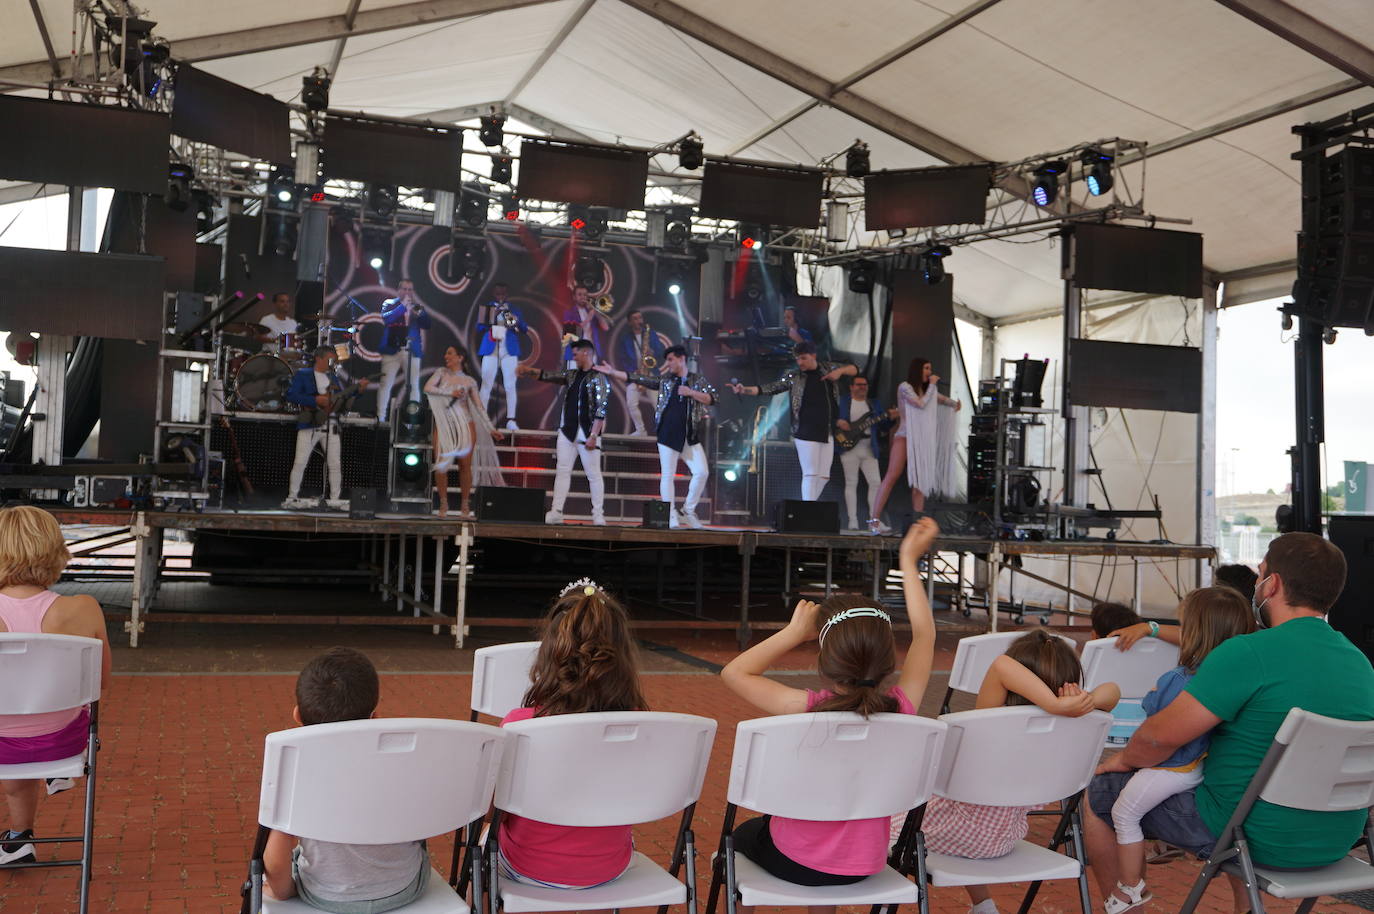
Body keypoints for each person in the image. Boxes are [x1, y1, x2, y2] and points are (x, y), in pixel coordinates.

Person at [1087, 532, 1374, 914]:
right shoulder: (1359, 663)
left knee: (1102, 793)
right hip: (1337, 836)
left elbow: (1158, 738)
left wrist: (1123, 762)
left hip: (1251, 836)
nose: (1257, 584)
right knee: (1237, 782)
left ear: (1273, 584)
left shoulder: (1247, 653)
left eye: (1261, 574)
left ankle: (1124, 905)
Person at [717, 519, 940, 901]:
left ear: (825, 657)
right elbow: (926, 634)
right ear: (888, 660)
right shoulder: (902, 709)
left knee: (739, 839)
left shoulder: (803, 709)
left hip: (796, 859)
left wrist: (792, 633)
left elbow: (734, 672)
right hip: (867, 862)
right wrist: (907, 561)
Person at [920, 630, 1119, 914]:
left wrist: (1052, 703)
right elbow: (1113, 690)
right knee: (958, 806)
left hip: (945, 833)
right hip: (1004, 838)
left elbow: (1002, 665)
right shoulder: (1073, 727)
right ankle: (983, 906)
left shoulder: (989, 718)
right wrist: (1081, 702)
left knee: (898, 808)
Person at [1100, 587, 1254, 914]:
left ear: (1192, 632)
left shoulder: (1178, 679)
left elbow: (1154, 721)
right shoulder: (1236, 675)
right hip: (1200, 766)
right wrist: (1151, 627)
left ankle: (1131, 888)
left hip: (1171, 768)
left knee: (1123, 812)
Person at [497, 579, 646, 888]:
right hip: (609, 866)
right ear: (623, 658)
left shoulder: (519, 725)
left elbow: (490, 810)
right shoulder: (641, 728)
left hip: (527, 865)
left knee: (483, 845)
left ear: (549, 653)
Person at [262, 647, 429, 911]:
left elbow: (275, 861)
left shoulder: (297, 775)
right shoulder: (405, 762)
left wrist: (284, 892)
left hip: (326, 895)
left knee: (296, 856)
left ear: (297, 717)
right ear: (374, 718)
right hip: (404, 887)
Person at [0, 506, 112, 867]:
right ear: (55, 550)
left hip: (3, 744)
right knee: (31, 725)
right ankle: (19, 837)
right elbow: (100, 682)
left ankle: (19, 839)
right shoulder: (83, 608)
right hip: (62, 739)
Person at [597, 345, 715, 529]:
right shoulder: (665, 380)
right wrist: (612, 372)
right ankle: (670, 516)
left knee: (702, 472)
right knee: (667, 475)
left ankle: (688, 510)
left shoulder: (696, 379)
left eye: (670, 360)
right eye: (666, 360)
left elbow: (712, 398)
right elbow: (638, 378)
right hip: (667, 434)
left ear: (681, 358)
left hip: (688, 435)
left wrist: (691, 392)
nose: (667, 364)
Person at [729, 342, 857, 501]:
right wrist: (745, 389)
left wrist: (840, 372)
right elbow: (772, 388)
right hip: (804, 430)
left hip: (826, 430)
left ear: (814, 356)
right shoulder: (795, 376)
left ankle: (807, 508)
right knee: (810, 474)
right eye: (797, 359)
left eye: (803, 358)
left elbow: (854, 369)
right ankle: (807, 513)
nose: (800, 362)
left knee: (824, 476)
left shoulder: (827, 368)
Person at [518, 339, 610, 526]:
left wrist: (593, 435)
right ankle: (557, 511)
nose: (573, 357)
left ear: (586, 353)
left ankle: (598, 514)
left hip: (588, 433)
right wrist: (528, 371)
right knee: (562, 471)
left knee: (593, 474)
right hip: (567, 431)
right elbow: (550, 375)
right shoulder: (572, 375)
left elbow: (601, 408)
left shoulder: (599, 377)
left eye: (576, 354)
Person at [867, 357, 961, 532]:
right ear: (917, 370)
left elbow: (942, 400)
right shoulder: (905, 387)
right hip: (904, 436)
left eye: (930, 368)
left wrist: (955, 404)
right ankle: (874, 520)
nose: (929, 372)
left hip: (921, 441)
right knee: (892, 475)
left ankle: (917, 524)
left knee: (920, 482)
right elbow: (920, 404)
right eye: (926, 368)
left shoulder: (928, 391)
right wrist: (933, 385)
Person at [424, 346, 505, 518]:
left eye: (450, 353)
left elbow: (479, 406)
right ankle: (443, 503)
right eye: (446, 353)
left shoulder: (469, 381)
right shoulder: (441, 373)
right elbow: (428, 387)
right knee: (441, 464)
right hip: (445, 423)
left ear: (460, 357)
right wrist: (449, 392)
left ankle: (465, 504)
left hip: (465, 423)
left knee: (464, 465)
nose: (446, 356)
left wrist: (491, 429)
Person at [284, 347, 369, 511]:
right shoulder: (304, 374)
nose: (332, 363)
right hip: (311, 422)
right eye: (330, 360)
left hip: (331, 423)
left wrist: (359, 391)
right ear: (319, 358)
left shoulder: (333, 377)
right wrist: (315, 399)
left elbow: (341, 398)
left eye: (334, 360)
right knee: (301, 461)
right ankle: (292, 496)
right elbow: (291, 395)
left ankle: (335, 498)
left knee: (335, 463)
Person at [836, 375, 897, 531]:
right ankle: (852, 520)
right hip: (849, 447)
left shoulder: (874, 404)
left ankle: (873, 521)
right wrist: (838, 422)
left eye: (865, 385)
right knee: (851, 482)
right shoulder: (844, 401)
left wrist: (891, 418)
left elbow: (883, 426)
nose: (862, 387)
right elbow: (833, 419)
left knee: (876, 483)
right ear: (851, 387)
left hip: (869, 448)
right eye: (859, 384)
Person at [377, 279, 430, 424]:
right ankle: (380, 418)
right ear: (398, 290)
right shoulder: (389, 303)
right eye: (405, 289)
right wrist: (402, 306)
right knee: (385, 384)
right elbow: (387, 319)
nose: (407, 292)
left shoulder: (416, 307)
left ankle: (412, 420)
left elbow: (427, 325)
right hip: (391, 349)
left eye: (410, 290)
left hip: (412, 350)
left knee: (413, 385)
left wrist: (421, 313)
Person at [475, 283, 527, 432]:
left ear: (507, 294)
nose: (501, 297)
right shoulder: (487, 308)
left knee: (510, 385)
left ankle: (511, 420)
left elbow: (523, 328)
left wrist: (511, 316)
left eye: (503, 294)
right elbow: (479, 328)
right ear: (494, 294)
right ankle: (482, 418)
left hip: (508, 350)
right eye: (498, 294)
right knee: (486, 384)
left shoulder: (514, 309)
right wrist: (493, 313)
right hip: (491, 348)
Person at [616, 309, 665, 436]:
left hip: (650, 373)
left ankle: (663, 429)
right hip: (635, 374)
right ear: (629, 322)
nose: (639, 321)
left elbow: (661, 350)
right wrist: (632, 370)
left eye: (640, 318)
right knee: (631, 403)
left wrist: (653, 351)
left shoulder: (650, 333)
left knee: (657, 404)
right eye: (636, 319)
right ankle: (641, 430)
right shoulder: (625, 338)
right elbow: (622, 357)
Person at [561, 286, 609, 363]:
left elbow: (606, 328)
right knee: (574, 374)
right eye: (580, 295)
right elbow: (571, 333)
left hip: (591, 349)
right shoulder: (569, 313)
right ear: (574, 297)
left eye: (585, 295)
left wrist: (597, 313)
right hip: (575, 351)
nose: (583, 297)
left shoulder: (591, 312)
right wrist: (588, 319)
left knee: (591, 374)